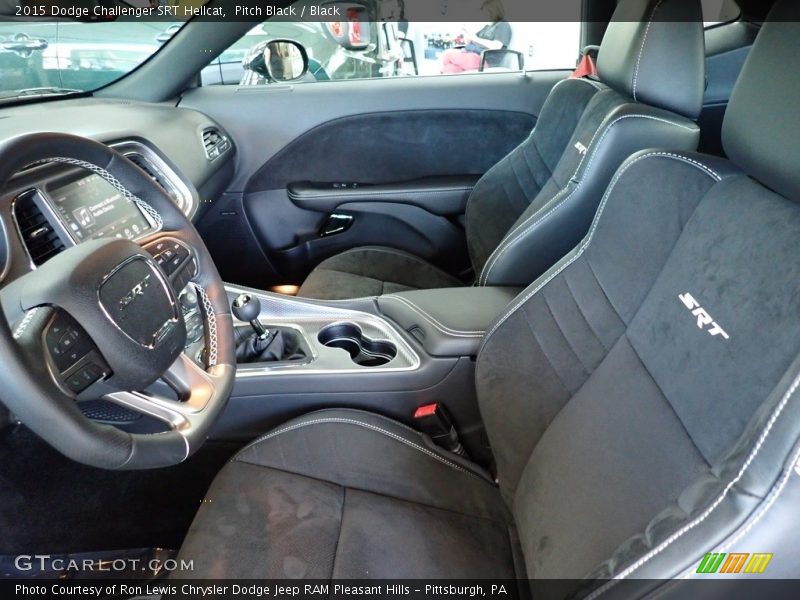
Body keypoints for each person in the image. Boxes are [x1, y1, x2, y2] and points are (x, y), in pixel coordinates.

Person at [441, 0, 511, 74]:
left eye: (486, 12)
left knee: (447, 54)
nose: (484, 15)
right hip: (472, 55)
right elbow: (471, 41)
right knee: (449, 69)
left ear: (494, 11)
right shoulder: (487, 27)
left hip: (483, 59)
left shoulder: (502, 25)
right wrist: (467, 34)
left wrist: (474, 38)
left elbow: (497, 46)